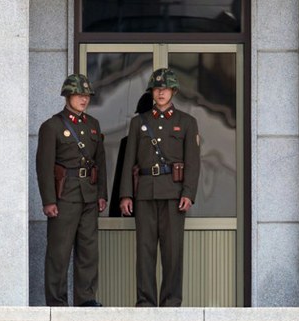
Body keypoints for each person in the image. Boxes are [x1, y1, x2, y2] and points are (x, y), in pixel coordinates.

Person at [119, 68, 200, 307]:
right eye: (157, 88)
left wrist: (189, 193)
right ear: (152, 92)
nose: (161, 92)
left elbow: (193, 162)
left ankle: (171, 301)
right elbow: (128, 162)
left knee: (173, 251)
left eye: (165, 88)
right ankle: (145, 301)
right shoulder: (138, 123)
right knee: (145, 251)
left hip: (174, 195)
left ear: (173, 91)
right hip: (144, 193)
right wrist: (125, 194)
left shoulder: (186, 122)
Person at [36, 74, 107, 307]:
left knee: (88, 251)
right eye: (79, 95)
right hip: (64, 196)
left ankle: (86, 299)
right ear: (67, 95)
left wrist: (102, 194)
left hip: (88, 194)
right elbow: (44, 167)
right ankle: (56, 301)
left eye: (86, 96)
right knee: (59, 251)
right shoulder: (52, 126)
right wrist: (49, 200)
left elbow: (100, 163)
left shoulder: (93, 125)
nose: (83, 100)